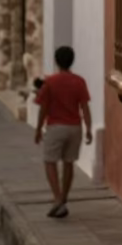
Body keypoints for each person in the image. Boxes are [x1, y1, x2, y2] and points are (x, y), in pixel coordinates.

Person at [33, 46, 92, 219]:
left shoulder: (50, 82)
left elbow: (43, 108)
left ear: (56, 61)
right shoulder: (79, 81)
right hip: (75, 128)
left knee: (50, 162)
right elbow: (85, 107)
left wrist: (38, 129)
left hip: (55, 127)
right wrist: (88, 128)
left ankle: (57, 198)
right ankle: (64, 199)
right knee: (69, 163)